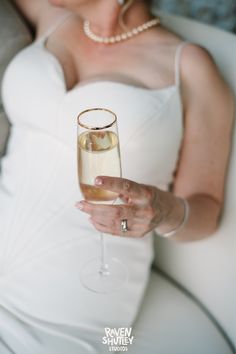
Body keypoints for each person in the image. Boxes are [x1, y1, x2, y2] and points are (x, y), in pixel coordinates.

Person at [0, 0, 234, 353]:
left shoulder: (190, 65)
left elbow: (207, 210)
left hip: (71, 313)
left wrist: (164, 210)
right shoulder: (51, 14)